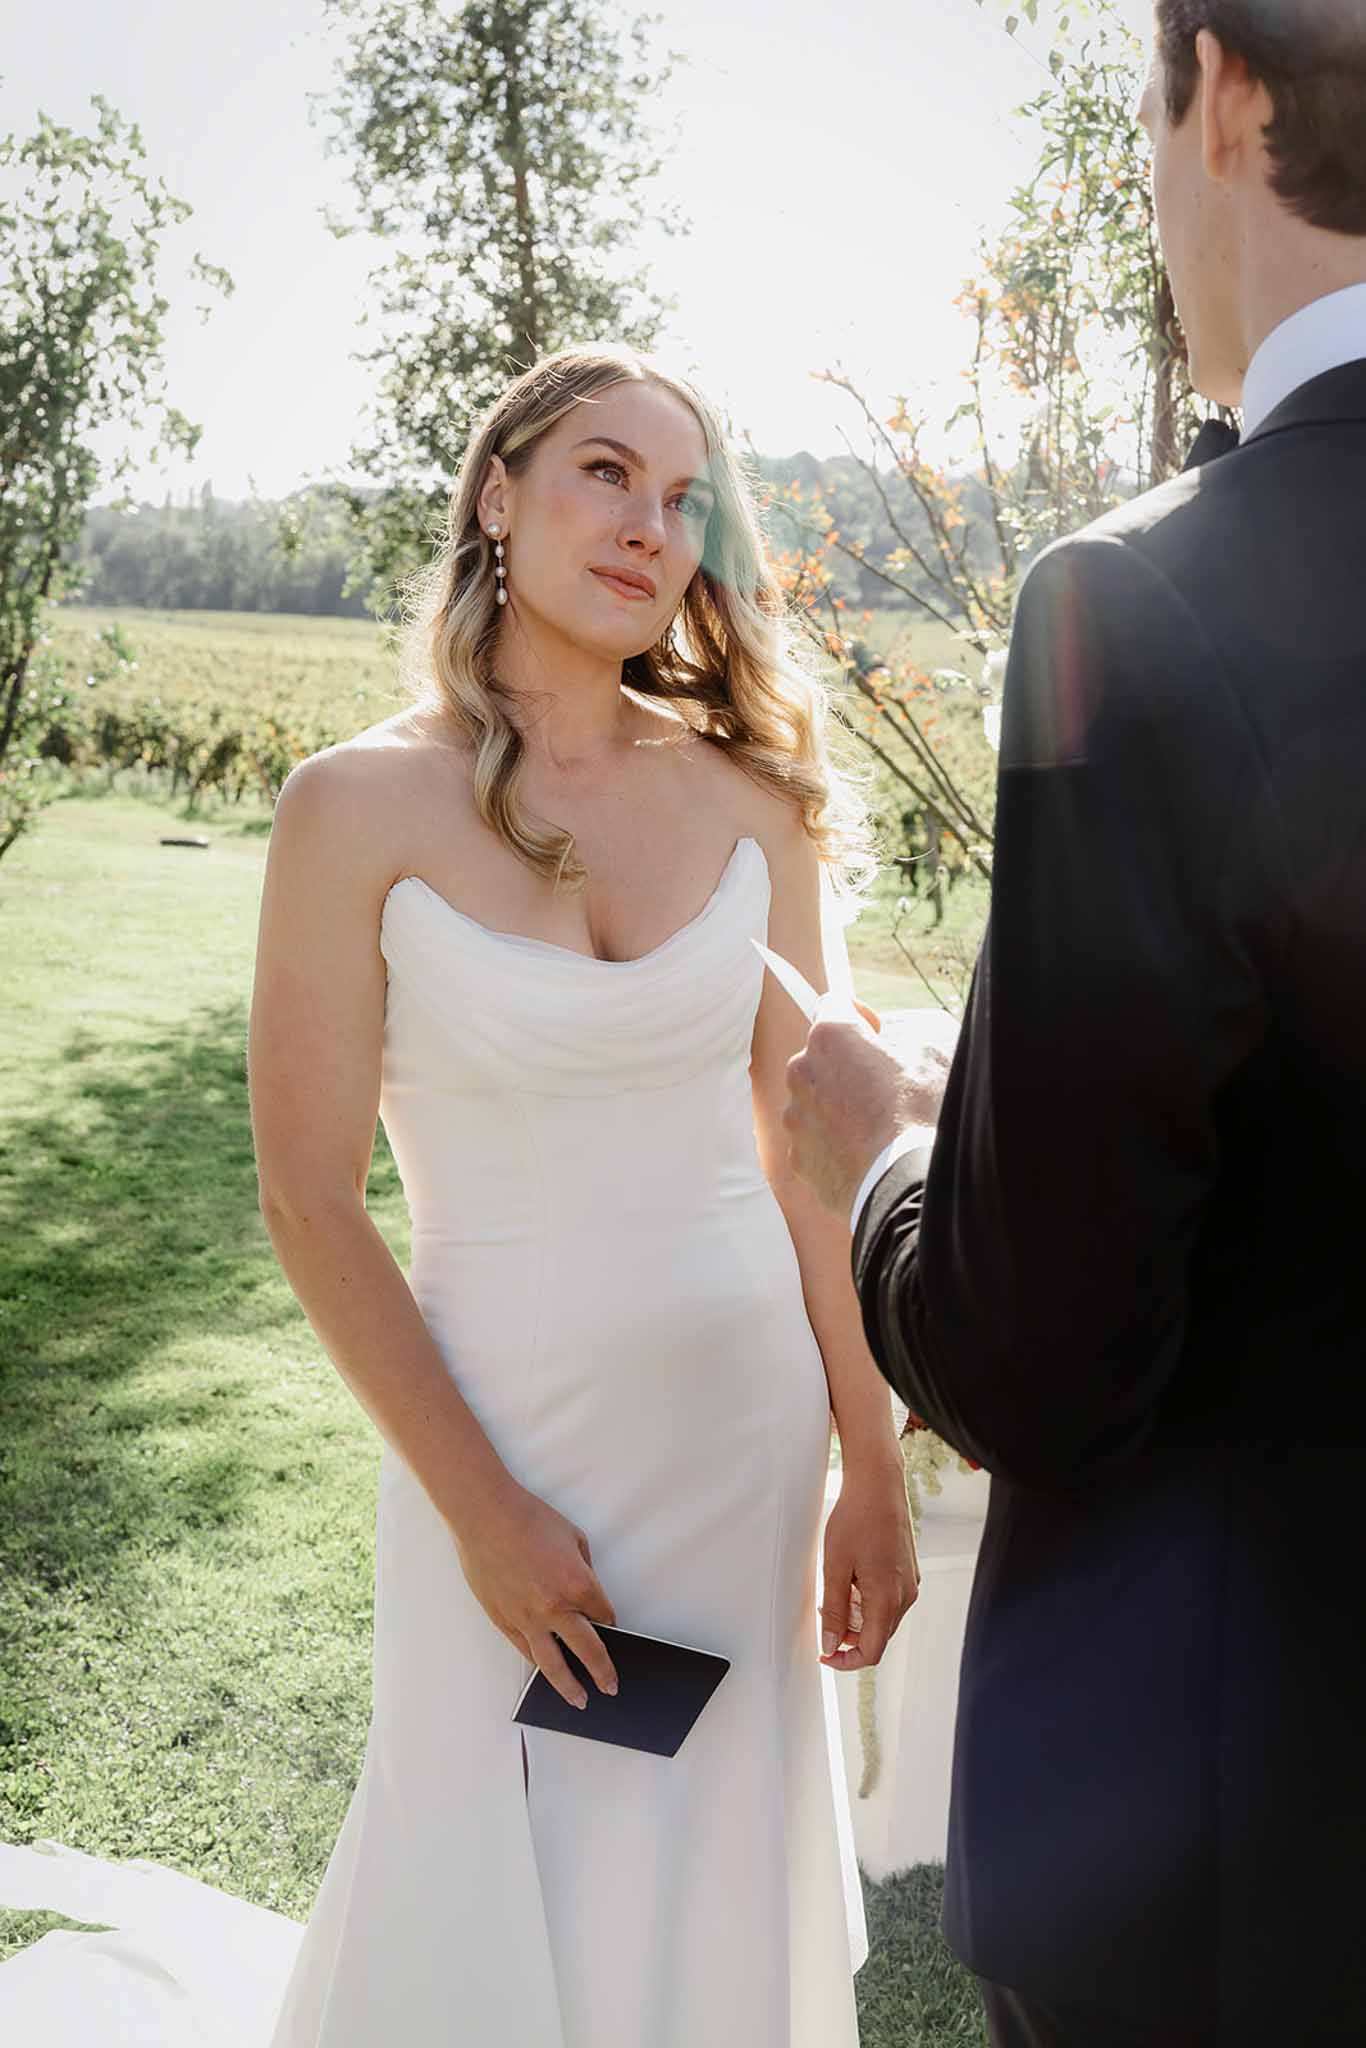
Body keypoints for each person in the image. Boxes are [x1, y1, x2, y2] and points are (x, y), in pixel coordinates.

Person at [782, 5, 1366, 2045]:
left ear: (1220, 89)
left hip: (1234, 1856)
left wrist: (882, 1154)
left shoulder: (1145, 602)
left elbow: (1040, 1353)